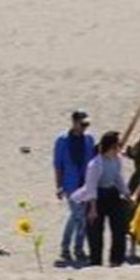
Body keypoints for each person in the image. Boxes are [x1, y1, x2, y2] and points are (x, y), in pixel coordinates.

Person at [71, 130, 129, 267]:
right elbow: (91, 186)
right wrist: (93, 208)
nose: (119, 149)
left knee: (119, 228)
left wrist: (126, 193)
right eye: (117, 146)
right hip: (97, 196)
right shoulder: (95, 164)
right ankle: (96, 261)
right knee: (95, 231)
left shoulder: (117, 160)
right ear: (110, 146)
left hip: (112, 193)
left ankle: (116, 260)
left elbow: (117, 177)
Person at [53, 109, 95, 262]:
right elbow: (58, 164)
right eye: (82, 124)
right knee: (77, 216)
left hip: (85, 183)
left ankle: (76, 248)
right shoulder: (62, 140)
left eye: (86, 124)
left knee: (79, 217)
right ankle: (67, 248)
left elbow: (93, 160)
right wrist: (58, 186)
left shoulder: (89, 138)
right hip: (70, 184)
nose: (85, 127)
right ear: (74, 122)